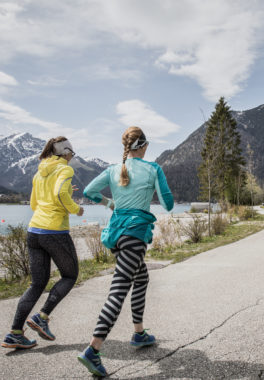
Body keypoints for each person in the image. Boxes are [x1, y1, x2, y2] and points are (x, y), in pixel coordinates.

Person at [77, 126, 173, 377]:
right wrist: (154, 190)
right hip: (135, 233)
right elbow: (169, 204)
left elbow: (88, 192)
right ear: (142, 145)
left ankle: (139, 333)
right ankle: (93, 350)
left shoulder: (112, 170)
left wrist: (111, 203)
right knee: (119, 289)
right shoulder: (153, 169)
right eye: (147, 144)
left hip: (116, 234)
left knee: (141, 277)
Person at [1, 137, 84, 349]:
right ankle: (42, 317)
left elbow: (34, 204)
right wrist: (76, 208)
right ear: (65, 153)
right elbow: (60, 194)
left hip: (34, 231)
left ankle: (15, 333)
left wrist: (60, 198)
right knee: (70, 275)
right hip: (54, 230)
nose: (71, 158)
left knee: (37, 283)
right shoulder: (65, 171)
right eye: (71, 154)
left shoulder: (39, 173)